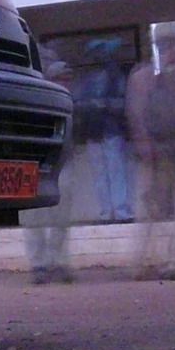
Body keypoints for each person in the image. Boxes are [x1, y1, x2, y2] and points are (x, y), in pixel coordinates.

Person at [126, 31, 175, 280]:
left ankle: (139, 262)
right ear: (172, 48)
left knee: (149, 207)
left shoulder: (139, 77)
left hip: (152, 153)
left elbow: (134, 114)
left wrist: (144, 145)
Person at [23, 50, 75, 283]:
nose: (64, 82)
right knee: (33, 219)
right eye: (60, 78)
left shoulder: (70, 104)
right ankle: (39, 265)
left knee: (61, 218)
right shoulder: (33, 98)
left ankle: (58, 262)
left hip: (61, 164)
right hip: (33, 163)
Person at [71, 52, 132, 222]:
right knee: (103, 175)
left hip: (110, 130)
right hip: (95, 131)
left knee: (115, 172)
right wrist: (94, 105)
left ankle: (120, 212)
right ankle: (108, 212)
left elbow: (123, 103)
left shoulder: (114, 78)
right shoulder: (85, 81)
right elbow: (76, 103)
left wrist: (104, 105)